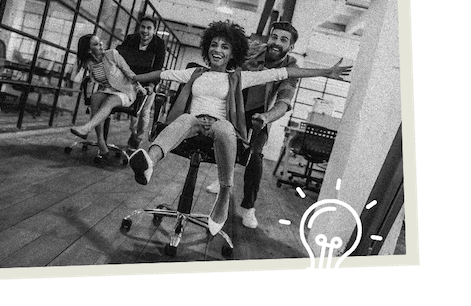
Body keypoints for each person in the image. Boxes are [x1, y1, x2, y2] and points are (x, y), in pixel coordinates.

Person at [128, 20, 351, 236]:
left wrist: (324, 72)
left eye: (225, 47)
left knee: (235, 136)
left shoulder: (248, 75)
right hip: (197, 119)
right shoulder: (200, 71)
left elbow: (285, 78)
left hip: (241, 116)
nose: (218, 50)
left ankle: (230, 196)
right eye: (214, 45)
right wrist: (131, 77)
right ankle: (149, 162)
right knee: (184, 120)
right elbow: (160, 74)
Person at [205, 21, 308, 229]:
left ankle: (248, 206)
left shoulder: (291, 68)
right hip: (237, 104)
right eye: (274, 37)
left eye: (283, 40)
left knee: (255, 155)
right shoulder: (253, 49)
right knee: (227, 142)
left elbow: (284, 101)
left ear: (291, 46)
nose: (276, 42)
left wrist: (267, 117)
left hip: (262, 114)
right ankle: (225, 177)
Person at [69, 34, 146, 159]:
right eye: (96, 44)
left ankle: (86, 128)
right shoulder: (89, 63)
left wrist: (139, 86)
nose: (101, 45)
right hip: (107, 91)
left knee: (109, 100)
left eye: (100, 42)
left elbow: (128, 71)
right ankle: (101, 142)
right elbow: (76, 79)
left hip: (125, 91)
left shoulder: (112, 54)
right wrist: (82, 65)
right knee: (94, 98)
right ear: (89, 50)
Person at [119, 16, 166, 149]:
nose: (145, 30)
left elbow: (158, 67)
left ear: (154, 30)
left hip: (149, 80)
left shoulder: (159, 44)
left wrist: (151, 86)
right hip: (132, 79)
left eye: (149, 28)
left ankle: (138, 138)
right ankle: (133, 133)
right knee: (133, 111)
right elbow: (121, 57)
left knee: (144, 111)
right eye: (143, 27)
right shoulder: (131, 39)